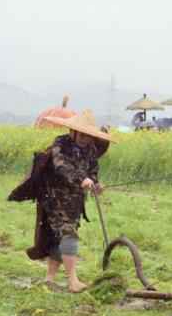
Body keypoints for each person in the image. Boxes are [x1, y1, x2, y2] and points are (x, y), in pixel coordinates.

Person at [11, 110, 113, 292]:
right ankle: (73, 281)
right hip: (53, 197)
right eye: (81, 134)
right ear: (73, 132)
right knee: (68, 235)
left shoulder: (91, 150)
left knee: (57, 237)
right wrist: (82, 179)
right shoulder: (60, 143)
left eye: (88, 135)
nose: (84, 138)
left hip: (75, 201)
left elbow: (93, 172)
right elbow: (61, 167)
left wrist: (96, 184)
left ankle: (49, 278)